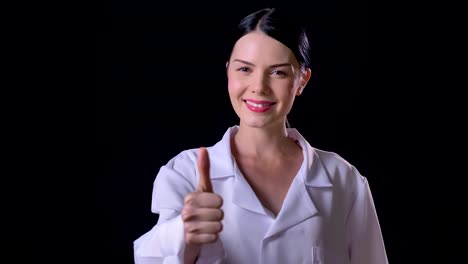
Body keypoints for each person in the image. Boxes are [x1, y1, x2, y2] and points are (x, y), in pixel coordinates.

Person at [133, 7, 388, 264]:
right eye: (244, 69)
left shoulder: (344, 181)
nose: (258, 87)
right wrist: (184, 237)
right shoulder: (184, 173)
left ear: (302, 80)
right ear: (228, 71)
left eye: (278, 72)